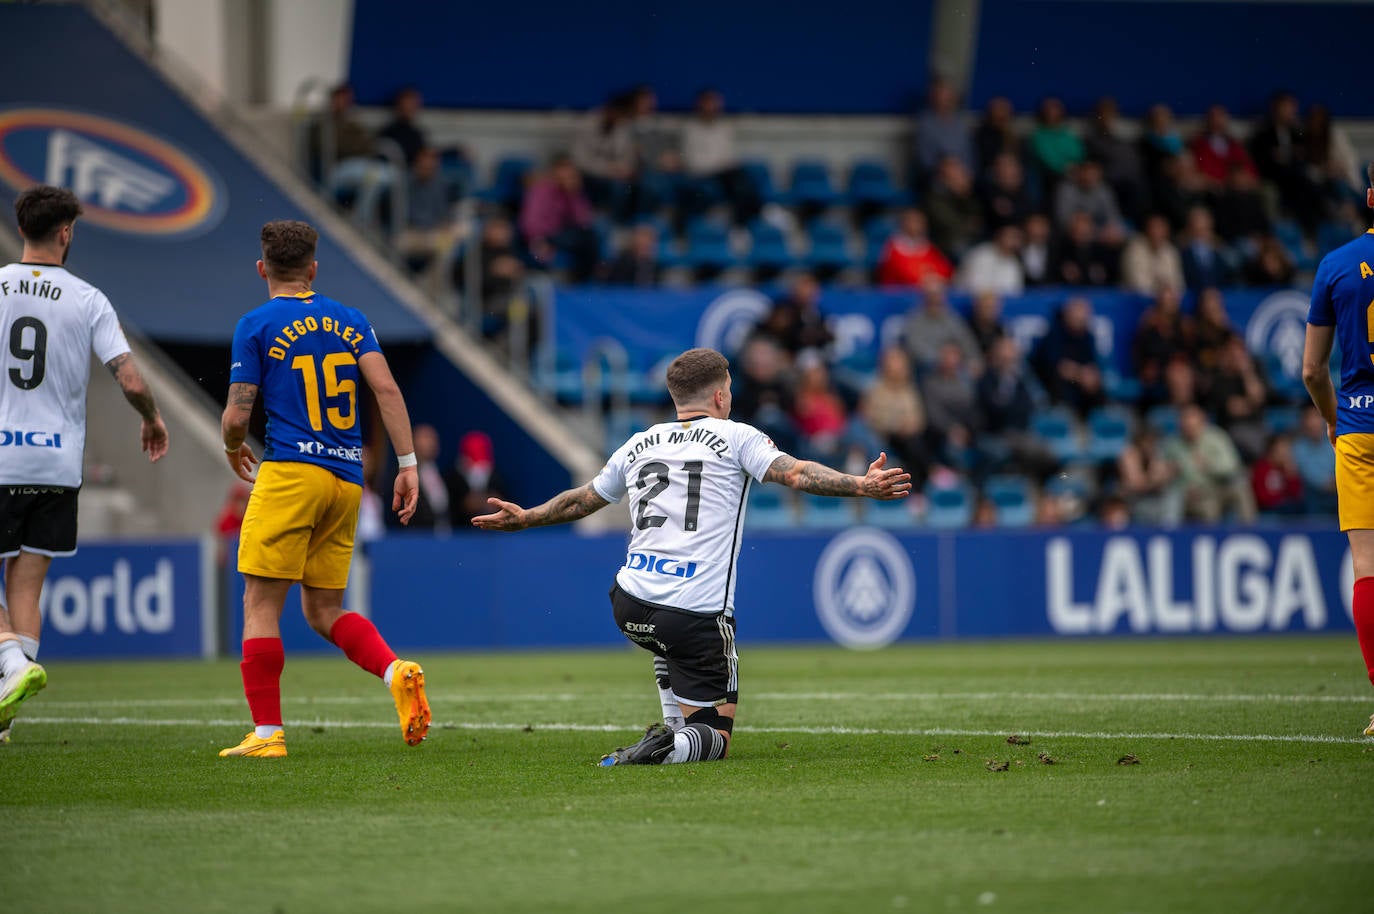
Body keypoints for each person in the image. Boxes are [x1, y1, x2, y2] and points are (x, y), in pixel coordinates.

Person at [471, 348, 911, 765]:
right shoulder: (738, 436)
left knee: (666, 637)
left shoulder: (640, 442)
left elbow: (583, 500)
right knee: (714, 738)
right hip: (691, 614)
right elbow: (795, 473)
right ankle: (670, 745)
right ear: (721, 395)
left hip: (628, 603)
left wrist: (526, 517)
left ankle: (672, 726)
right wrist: (860, 485)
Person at [219, 220, 428, 758]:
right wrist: (408, 464)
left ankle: (267, 735)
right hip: (346, 478)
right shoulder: (351, 320)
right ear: (314, 268)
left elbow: (238, 414)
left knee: (260, 604)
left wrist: (231, 444)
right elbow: (385, 388)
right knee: (323, 610)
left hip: (290, 472)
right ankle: (394, 670)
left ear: (263, 268)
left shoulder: (255, 323)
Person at [0, 185, 169, 741]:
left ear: (24, 228)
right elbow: (130, 376)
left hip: (1, 456)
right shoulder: (88, 298)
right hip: (56, 465)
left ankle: (12, 666)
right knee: (26, 588)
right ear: (66, 232)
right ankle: (5, 714)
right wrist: (151, 417)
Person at [1302, 165, 1374, 734]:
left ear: (1370, 196)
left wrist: (1332, 420)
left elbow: (1311, 370)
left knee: (1368, 568)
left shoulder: (1336, 264)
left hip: (1359, 425)